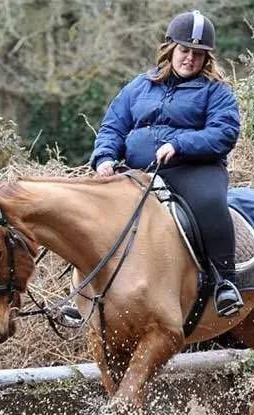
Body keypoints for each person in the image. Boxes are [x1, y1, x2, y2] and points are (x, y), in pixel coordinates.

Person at [89, 10, 243, 317]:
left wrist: (180, 144)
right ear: (171, 49)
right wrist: (105, 157)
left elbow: (223, 133)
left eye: (198, 54)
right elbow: (113, 127)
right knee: (93, 212)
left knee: (211, 203)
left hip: (195, 170)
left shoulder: (216, 91)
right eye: (185, 51)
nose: (190, 59)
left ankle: (226, 282)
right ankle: (84, 291)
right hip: (138, 171)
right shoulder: (139, 86)